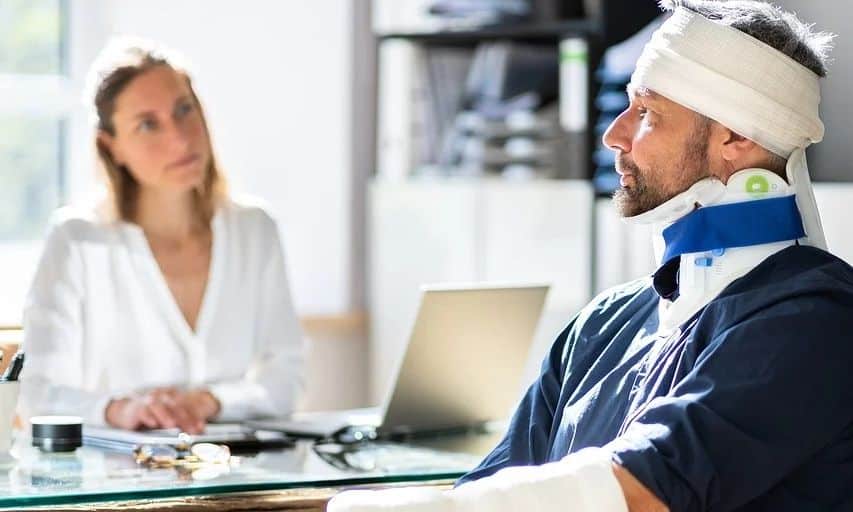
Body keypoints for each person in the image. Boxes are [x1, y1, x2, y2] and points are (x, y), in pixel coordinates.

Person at [328, 1, 853, 511]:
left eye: (646, 112)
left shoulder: (815, 320)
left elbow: (647, 491)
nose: (613, 134)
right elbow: (499, 480)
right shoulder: (602, 324)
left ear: (735, 136)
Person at [18, 37, 304, 434]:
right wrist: (120, 410)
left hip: (233, 465)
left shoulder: (255, 229)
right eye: (148, 124)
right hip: (117, 468)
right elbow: (37, 393)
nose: (180, 138)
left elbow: (286, 378)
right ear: (112, 147)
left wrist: (209, 401)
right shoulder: (77, 240)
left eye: (184, 109)